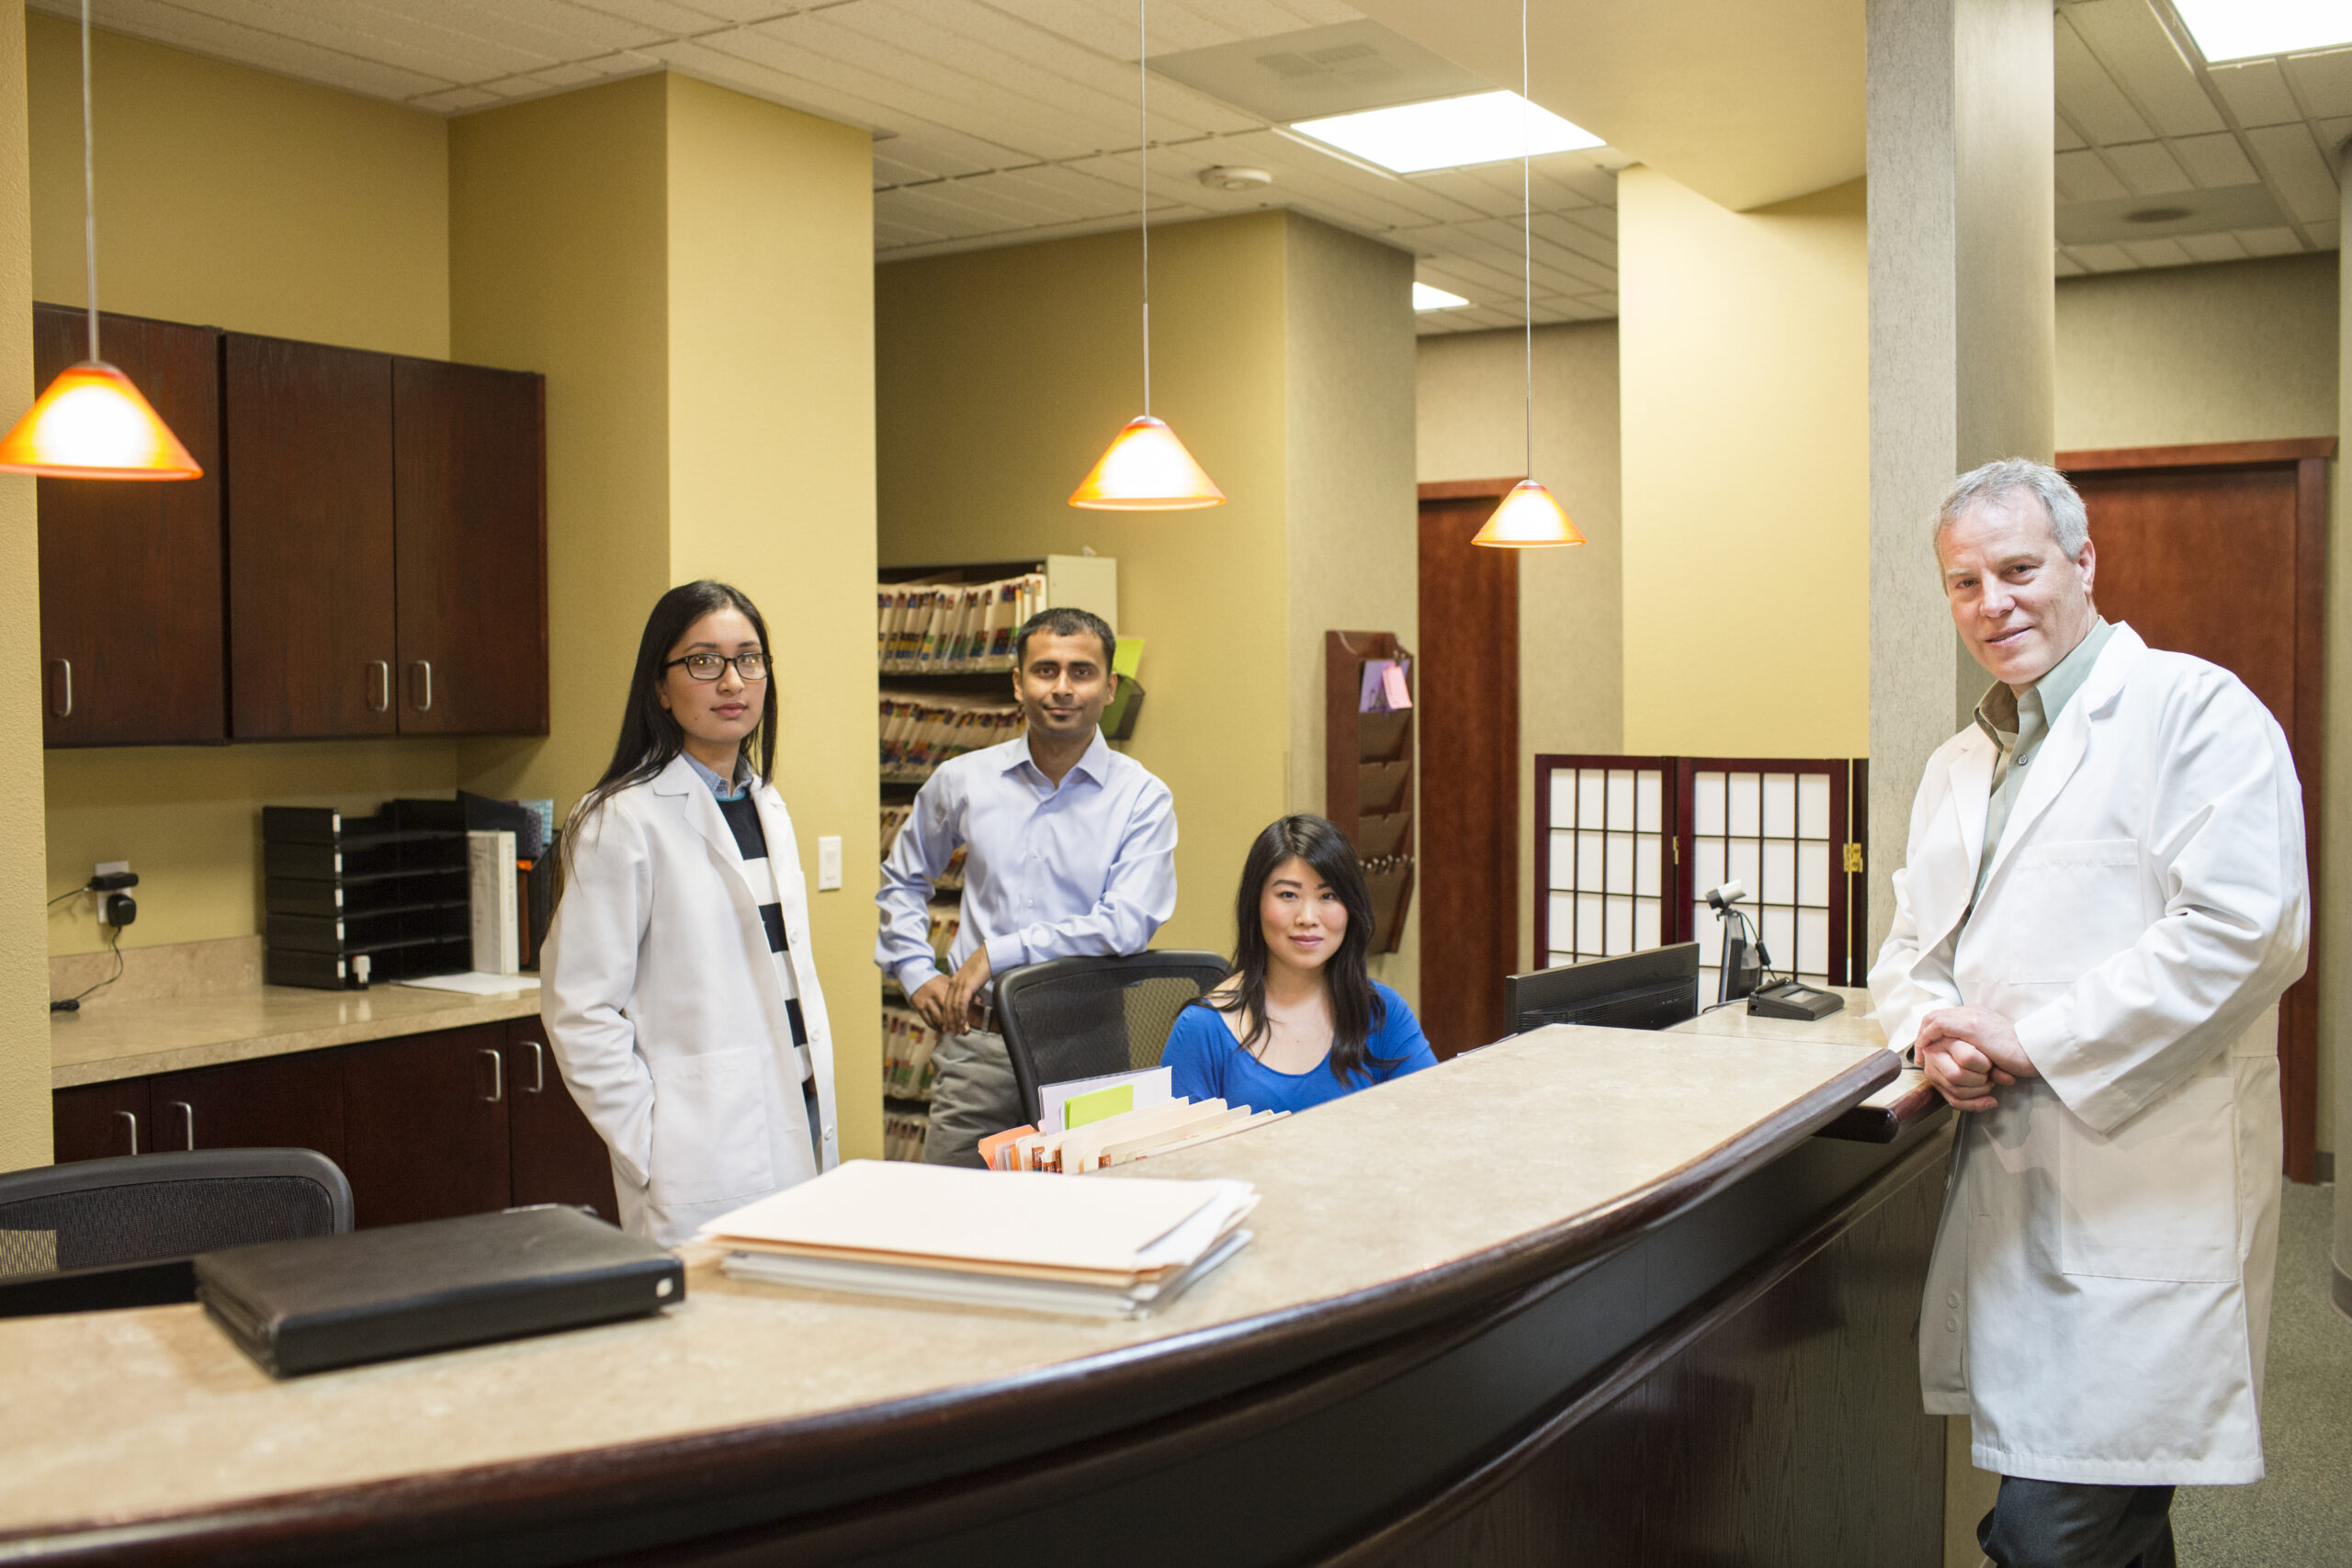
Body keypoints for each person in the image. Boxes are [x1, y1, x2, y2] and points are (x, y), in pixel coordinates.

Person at [1870, 458, 2307, 1568]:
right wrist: (1930, 1033)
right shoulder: (1959, 763)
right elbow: (1913, 949)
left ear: (2083, 562)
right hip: (2018, 1193)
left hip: (2145, 1194)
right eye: (1963, 584)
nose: (1992, 604)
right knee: (2104, 1522)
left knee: (2048, 1534)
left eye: (2017, 570)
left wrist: (2034, 1040)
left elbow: (2247, 930)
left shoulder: (2191, 712)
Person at [542, 581, 840, 1247]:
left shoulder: (767, 805)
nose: (732, 681)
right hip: (697, 1147)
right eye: (703, 661)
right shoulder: (620, 818)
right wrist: (652, 1143)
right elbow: (579, 1008)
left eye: (749, 659)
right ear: (660, 685)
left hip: (798, 1109)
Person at [876, 605, 1177, 1167]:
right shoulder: (963, 780)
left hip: (1087, 1045)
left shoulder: (1142, 798)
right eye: (1045, 670)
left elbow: (1128, 923)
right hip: (979, 1049)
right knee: (954, 1220)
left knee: (1085, 1222)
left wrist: (1000, 954)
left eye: (1081, 672)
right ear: (1018, 682)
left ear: (1109, 687)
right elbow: (903, 877)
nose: (1062, 688)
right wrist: (914, 971)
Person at [1162, 815, 1435, 1113]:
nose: (1307, 917)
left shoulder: (1382, 1012)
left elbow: (1430, 1120)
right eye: (1288, 895)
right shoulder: (1201, 1029)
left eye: (1328, 896)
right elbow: (1176, 1158)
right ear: (1256, 904)